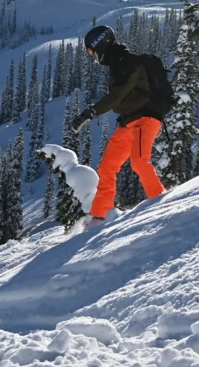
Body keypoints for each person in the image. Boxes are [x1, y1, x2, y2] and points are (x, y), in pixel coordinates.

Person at [71, 25, 166, 224]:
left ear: (100, 44)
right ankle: (99, 217)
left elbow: (118, 95)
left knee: (139, 161)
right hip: (128, 122)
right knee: (107, 168)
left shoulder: (129, 62)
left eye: (92, 50)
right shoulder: (118, 64)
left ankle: (161, 203)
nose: (93, 54)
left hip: (146, 119)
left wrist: (92, 111)